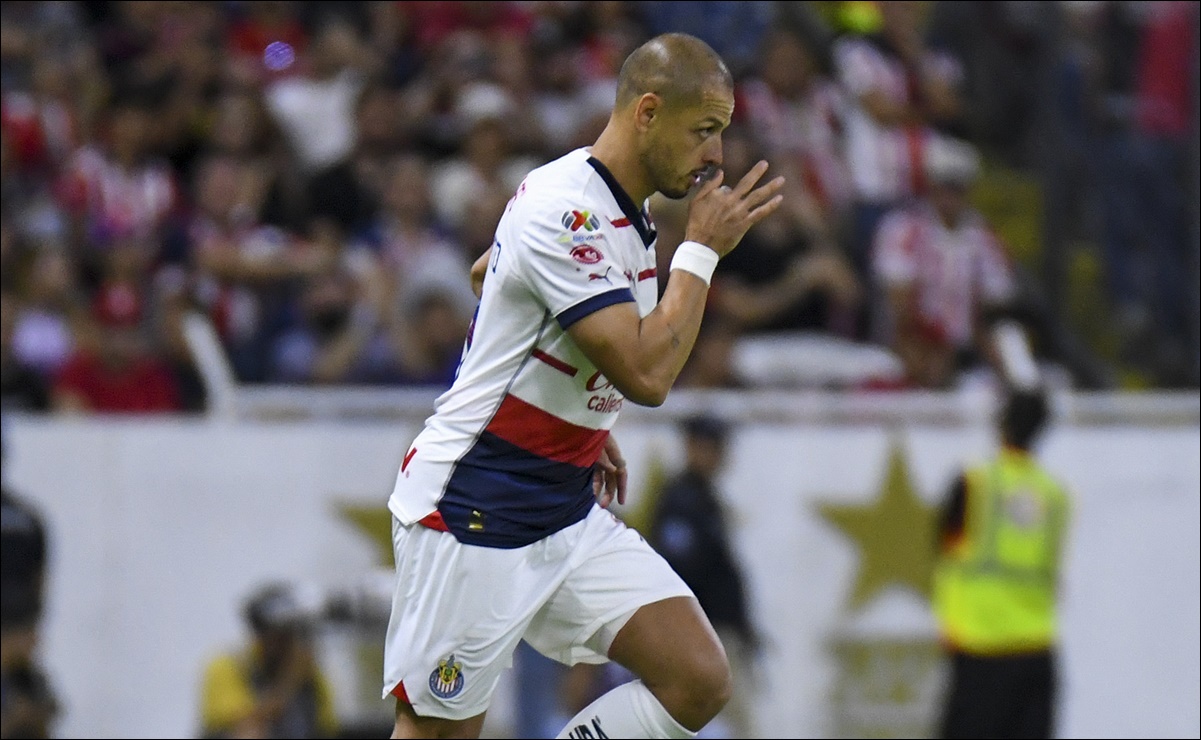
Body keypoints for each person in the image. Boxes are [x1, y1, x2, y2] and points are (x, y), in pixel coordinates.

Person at [381, 32, 784, 740]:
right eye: (705, 131)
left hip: (560, 504)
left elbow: (491, 273)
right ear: (648, 112)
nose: (715, 157)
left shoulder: (614, 207)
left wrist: (581, 416)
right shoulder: (567, 209)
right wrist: (700, 250)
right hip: (475, 507)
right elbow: (649, 375)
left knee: (695, 679)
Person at [931, 386, 1072, 739]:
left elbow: (944, 549)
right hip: (1037, 650)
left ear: (1001, 424)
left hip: (981, 649)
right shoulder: (1055, 495)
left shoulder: (974, 484)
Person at [647, 414, 761, 739]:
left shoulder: (704, 498)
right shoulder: (682, 500)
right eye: (711, 447)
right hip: (704, 632)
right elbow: (680, 571)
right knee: (736, 722)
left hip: (714, 629)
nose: (718, 456)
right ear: (692, 447)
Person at [200, 581, 338, 739]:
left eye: (291, 634)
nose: (284, 644)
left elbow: (326, 729)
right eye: (278, 634)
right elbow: (246, 726)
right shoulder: (229, 667)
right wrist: (289, 682)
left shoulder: (311, 678)